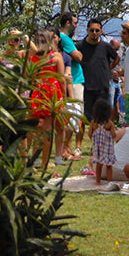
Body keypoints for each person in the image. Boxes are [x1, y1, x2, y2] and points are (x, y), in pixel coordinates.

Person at [26, 29, 65, 170]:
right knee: (48, 131)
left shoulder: (32, 57)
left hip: (37, 92)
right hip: (52, 93)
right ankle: (44, 162)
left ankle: (32, 160)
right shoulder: (56, 56)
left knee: (35, 128)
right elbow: (61, 79)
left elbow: (29, 77)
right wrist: (64, 97)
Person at [76, 19, 118, 128]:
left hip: (102, 86)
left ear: (101, 31)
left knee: (102, 116)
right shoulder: (80, 46)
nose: (94, 33)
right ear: (87, 30)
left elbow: (117, 58)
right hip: (86, 85)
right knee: (87, 116)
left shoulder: (106, 46)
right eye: (92, 30)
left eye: (97, 30)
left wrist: (108, 69)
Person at [58, 12, 85, 155]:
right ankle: (66, 149)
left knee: (71, 116)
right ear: (68, 23)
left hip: (72, 80)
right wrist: (77, 53)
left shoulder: (64, 39)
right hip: (73, 81)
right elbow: (79, 57)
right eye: (75, 23)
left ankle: (66, 148)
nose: (76, 25)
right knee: (73, 115)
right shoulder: (65, 39)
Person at [90, 98, 118, 185]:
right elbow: (114, 135)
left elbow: (89, 134)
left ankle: (98, 181)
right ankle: (110, 181)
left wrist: (95, 139)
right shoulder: (109, 124)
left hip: (98, 148)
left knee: (99, 165)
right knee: (109, 165)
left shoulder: (94, 123)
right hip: (108, 148)